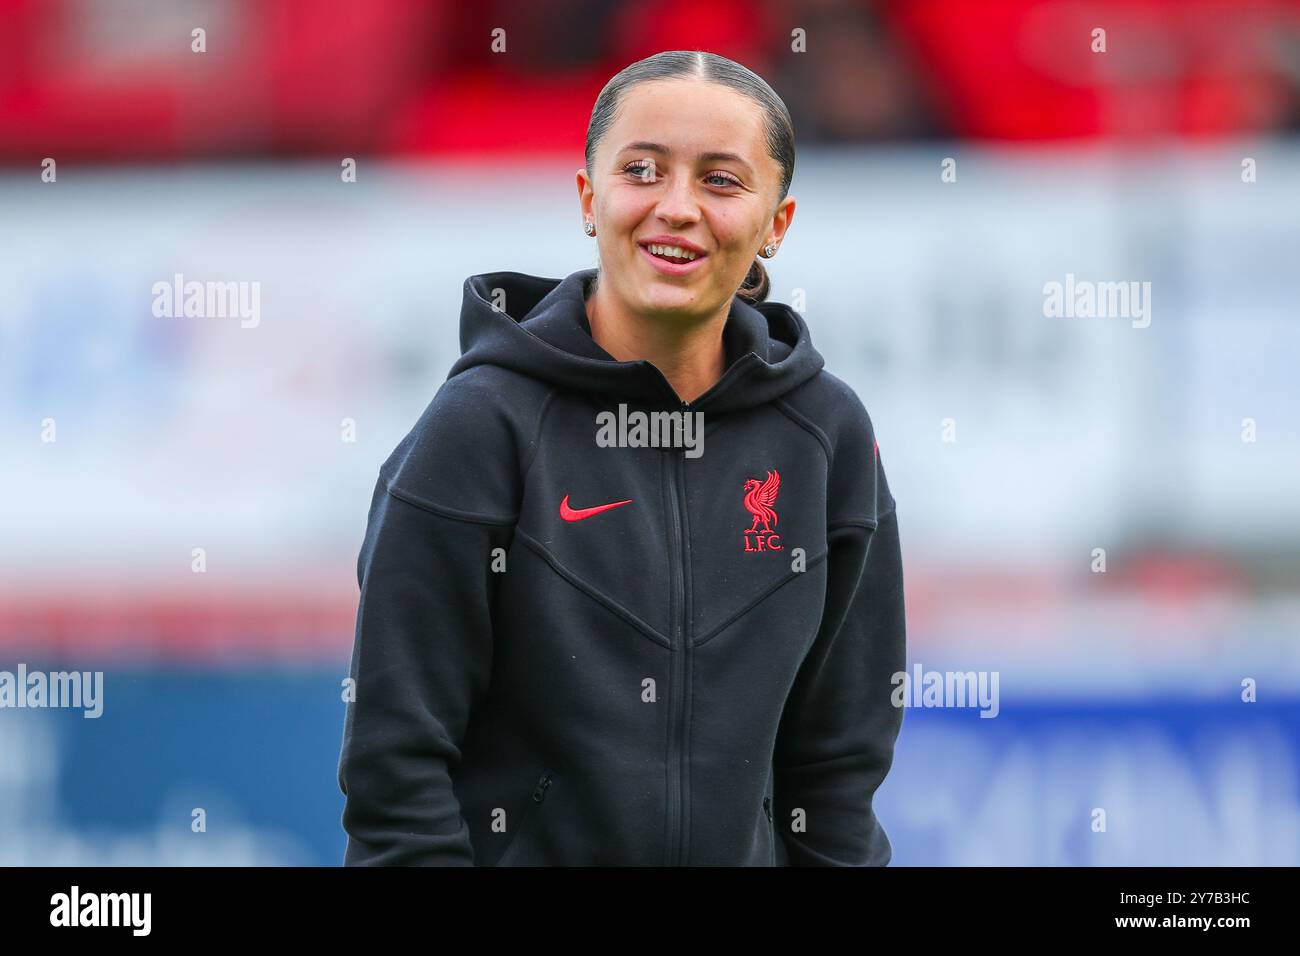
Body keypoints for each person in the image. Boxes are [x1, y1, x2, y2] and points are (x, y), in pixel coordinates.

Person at [337, 49, 906, 866]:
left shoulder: (828, 437)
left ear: (776, 224)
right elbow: (396, 778)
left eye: (721, 180)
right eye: (642, 170)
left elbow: (838, 778)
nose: (677, 207)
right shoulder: (480, 427)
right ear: (588, 198)